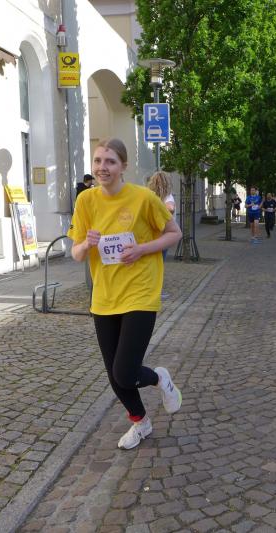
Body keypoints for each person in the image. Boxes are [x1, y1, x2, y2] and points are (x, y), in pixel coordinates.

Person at [68, 138, 183, 450]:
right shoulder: (86, 201)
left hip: (140, 293)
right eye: (98, 161)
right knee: (115, 376)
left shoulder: (143, 198)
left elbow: (174, 233)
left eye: (110, 161)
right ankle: (141, 422)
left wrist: (142, 249)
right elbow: (76, 253)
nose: (102, 167)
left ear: (123, 167)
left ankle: (159, 378)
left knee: (125, 370)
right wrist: (86, 244)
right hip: (104, 297)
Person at [146, 170, 176, 261]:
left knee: (157, 261)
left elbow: (170, 208)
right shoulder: (153, 196)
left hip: (161, 235)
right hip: (159, 236)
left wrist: (157, 216)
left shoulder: (167, 197)